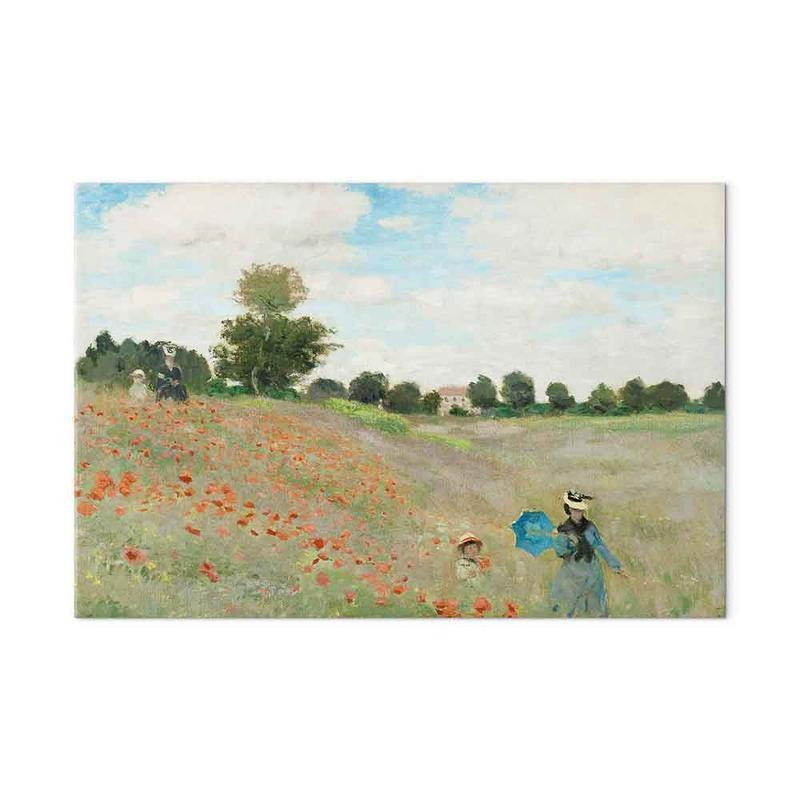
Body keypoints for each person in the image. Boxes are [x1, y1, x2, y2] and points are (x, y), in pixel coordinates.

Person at [549, 490, 623, 618]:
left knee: (597, 606)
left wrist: (614, 565)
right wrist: (568, 542)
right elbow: (560, 552)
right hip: (573, 572)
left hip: (592, 570)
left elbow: (600, 546)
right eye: (575, 510)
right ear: (569, 510)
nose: (578, 513)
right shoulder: (563, 530)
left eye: (580, 510)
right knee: (570, 605)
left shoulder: (590, 527)